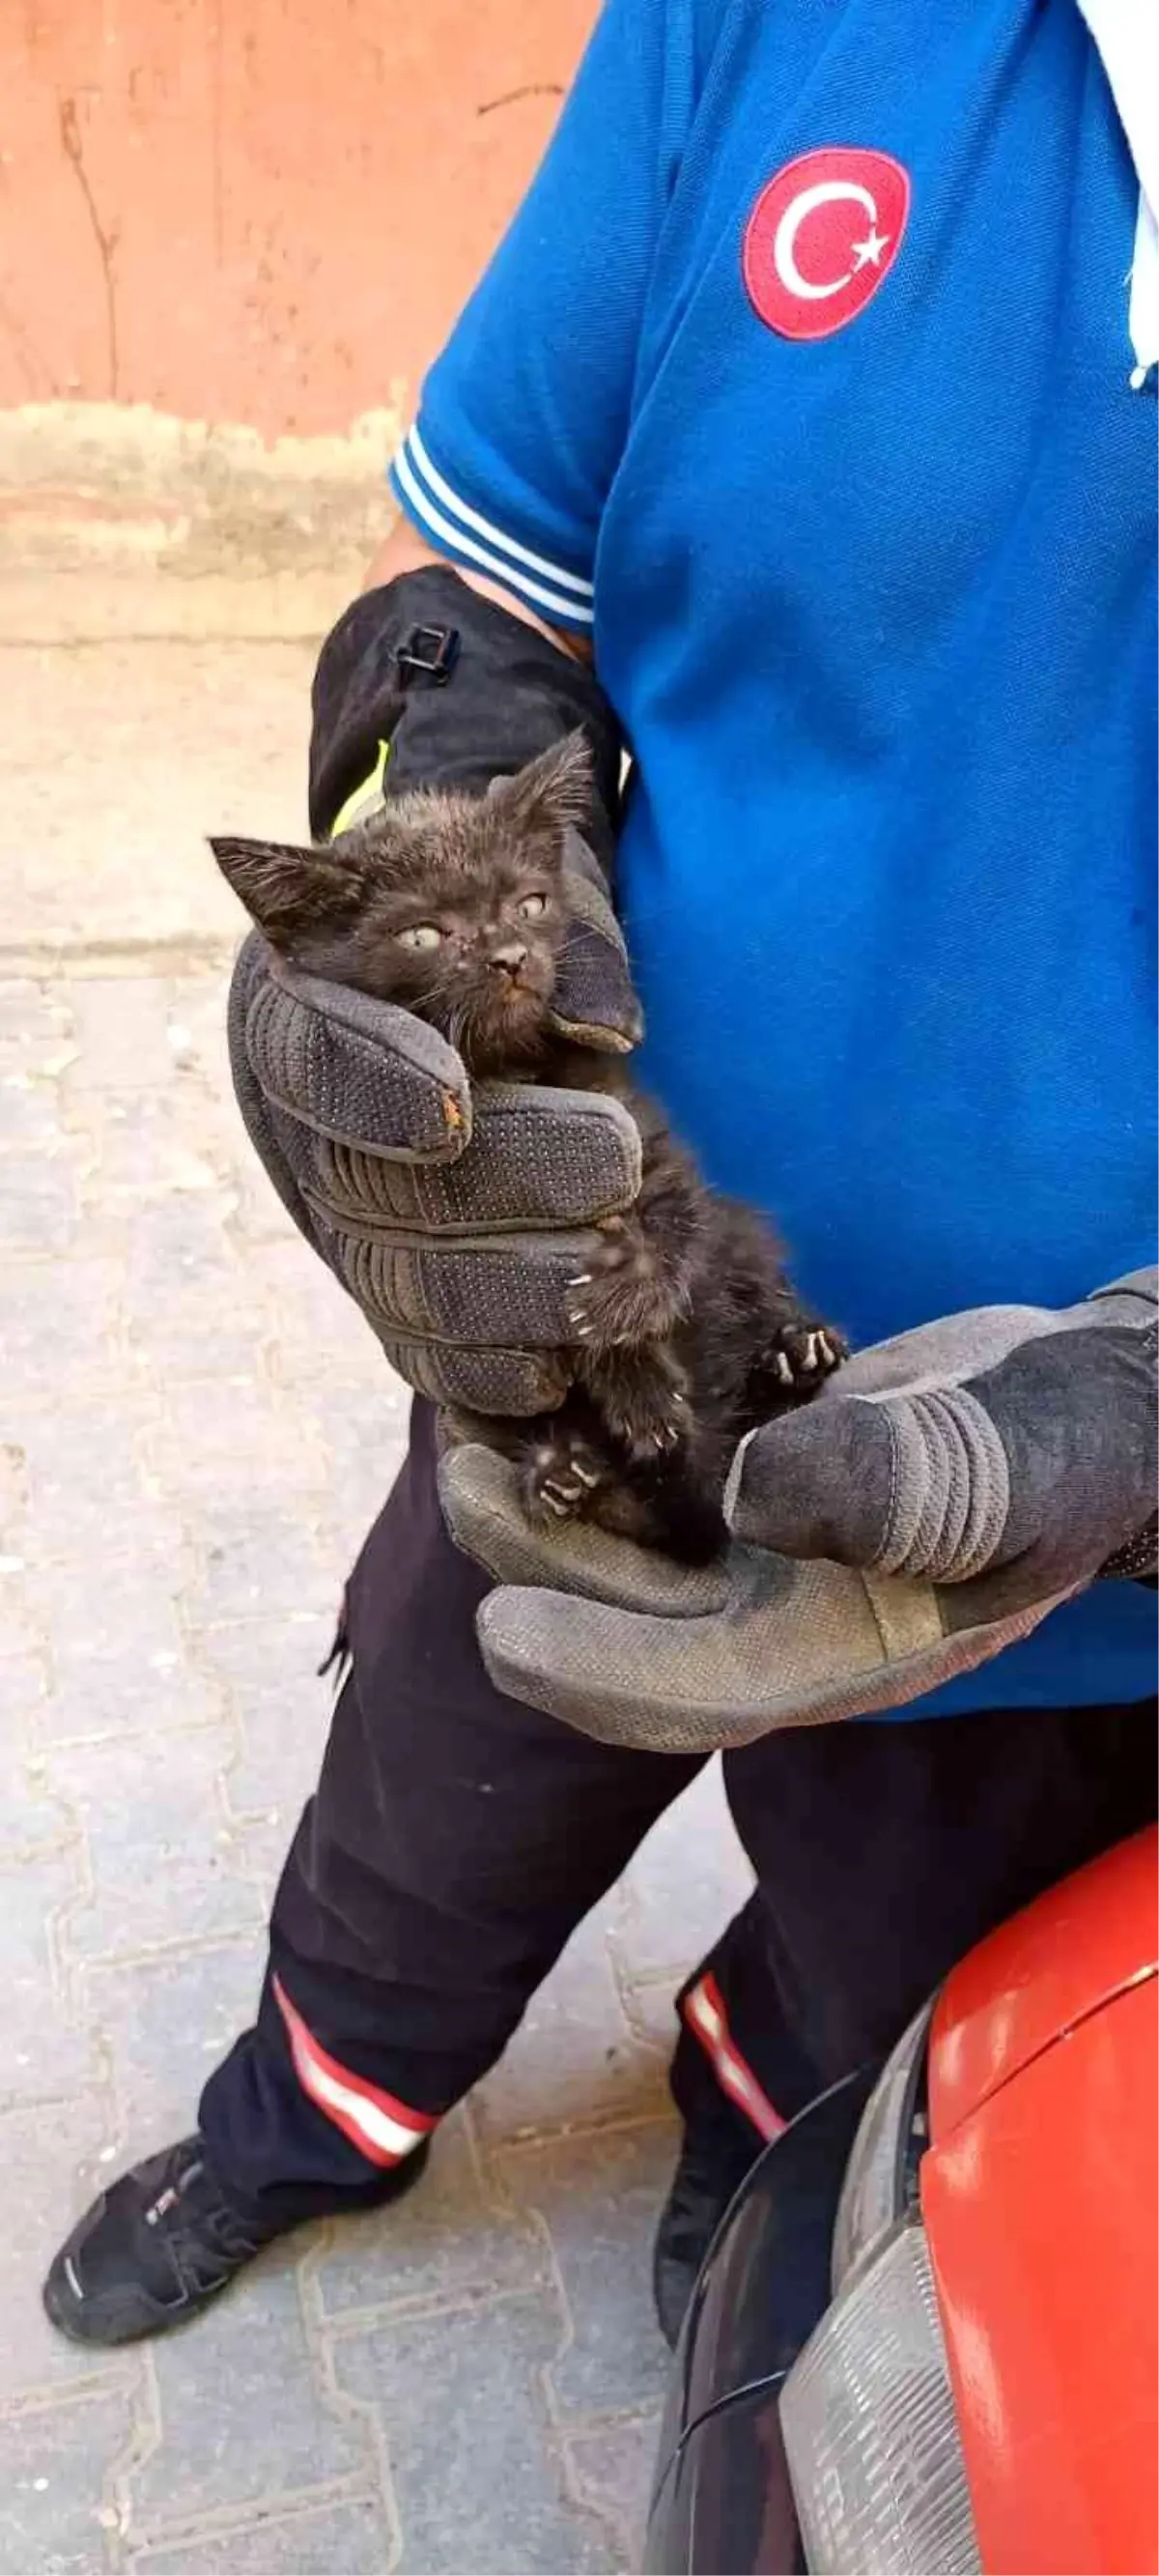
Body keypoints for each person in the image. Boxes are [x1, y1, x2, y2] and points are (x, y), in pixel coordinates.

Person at [43, 0, 1159, 2353]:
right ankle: (308, 2113)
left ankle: (747, 2095)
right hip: (586, 1311)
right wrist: (422, 851)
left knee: (897, 1992)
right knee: (419, 1833)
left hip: (1059, 1523)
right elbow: (494, 581)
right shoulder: (765, 22)